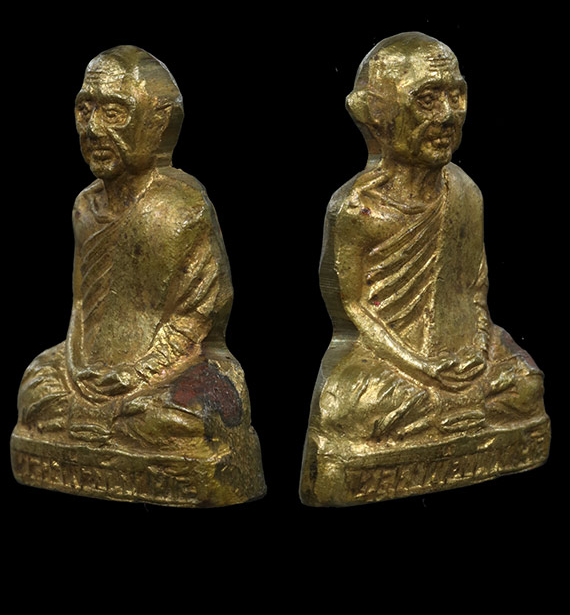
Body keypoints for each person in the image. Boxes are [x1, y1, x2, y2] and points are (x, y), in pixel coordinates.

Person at [301, 32, 549, 504]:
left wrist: (478, 351)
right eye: (427, 100)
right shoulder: (358, 210)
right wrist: (425, 368)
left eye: (457, 96)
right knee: (345, 411)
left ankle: (454, 410)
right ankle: (452, 411)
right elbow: (354, 308)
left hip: (464, 350)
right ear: (377, 115)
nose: (448, 116)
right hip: (396, 361)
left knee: (526, 384)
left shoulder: (465, 192)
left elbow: (475, 291)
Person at [13, 46, 264, 505]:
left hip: (163, 373)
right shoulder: (85, 207)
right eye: (84, 110)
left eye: (114, 113)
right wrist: (79, 372)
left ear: (158, 123)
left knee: (194, 412)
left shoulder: (182, 207)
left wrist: (133, 377)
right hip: (89, 370)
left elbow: (195, 324)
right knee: (35, 385)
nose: (93, 129)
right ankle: (96, 420)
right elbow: (82, 310)